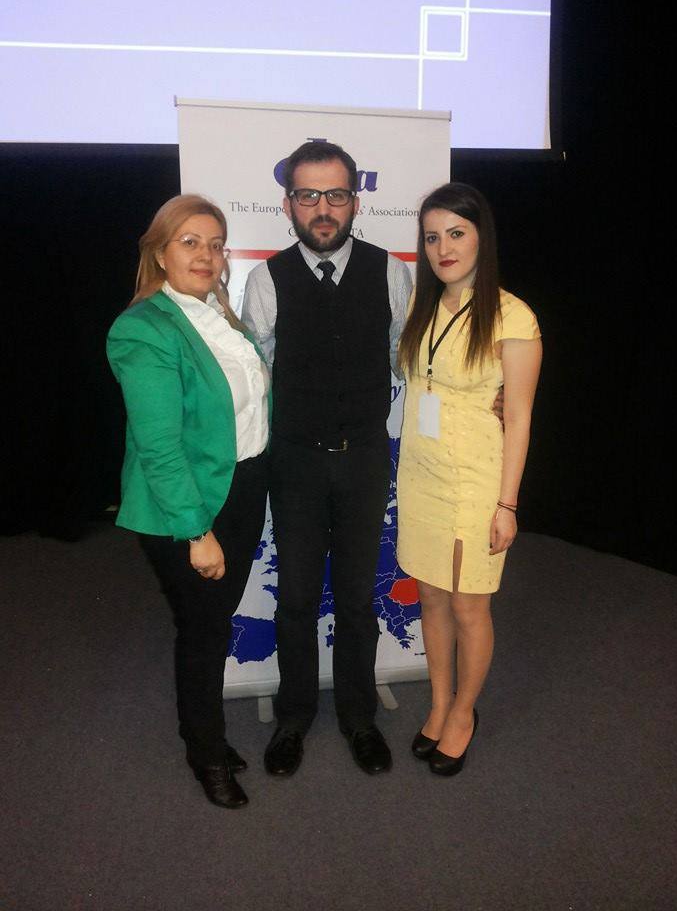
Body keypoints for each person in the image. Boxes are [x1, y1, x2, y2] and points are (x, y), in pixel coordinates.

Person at [241, 141, 413, 776]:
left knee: (358, 597)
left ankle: (359, 717)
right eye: (308, 195)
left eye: (335, 194)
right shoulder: (266, 280)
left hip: (364, 458)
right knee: (296, 598)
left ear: (355, 201)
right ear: (288, 204)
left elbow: (404, 357)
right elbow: (256, 371)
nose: (322, 208)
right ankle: (294, 717)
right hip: (296, 464)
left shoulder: (390, 272)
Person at [107, 194, 270, 808]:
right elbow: (159, 446)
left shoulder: (221, 318)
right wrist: (197, 532)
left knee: (213, 622)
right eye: (190, 242)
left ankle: (205, 732)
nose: (206, 255)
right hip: (187, 506)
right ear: (159, 253)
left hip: (241, 488)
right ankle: (205, 752)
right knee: (202, 629)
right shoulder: (143, 328)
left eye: (215, 244)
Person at [396, 182, 542, 776]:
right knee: (430, 596)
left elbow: (520, 415)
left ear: (482, 236)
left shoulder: (513, 315)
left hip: (476, 480)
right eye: (432, 237)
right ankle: (437, 704)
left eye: (456, 233)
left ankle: (463, 712)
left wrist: (507, 504)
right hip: (421, 474)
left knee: (469, 606)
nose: (444, 248)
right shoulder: (421, 304)